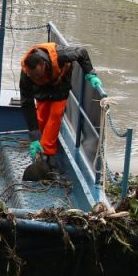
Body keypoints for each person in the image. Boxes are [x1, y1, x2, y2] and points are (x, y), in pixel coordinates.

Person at [19, 41, 102, 181]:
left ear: (43, 66)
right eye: (32, 76)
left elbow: (82, 52)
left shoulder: (62, 55)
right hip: (42, 89)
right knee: (42, 115)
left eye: (37, 75)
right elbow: (26, 103)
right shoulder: (27, 76)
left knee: (55, 116)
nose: (34, 78)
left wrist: (90, 73)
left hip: (59, 83)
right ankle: (39, 148)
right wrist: (34, 137)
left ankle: (47, 155)